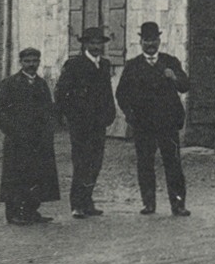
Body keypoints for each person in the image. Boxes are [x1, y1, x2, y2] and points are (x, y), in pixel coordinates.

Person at [115, 21, 192, 216]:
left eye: (154, 40)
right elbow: (121, 94)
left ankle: (178, 204)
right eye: (146, 40)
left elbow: (185, 85)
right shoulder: (133, 66)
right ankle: (149, 204)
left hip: (168, 123)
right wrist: (131, 116)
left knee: (173, 164)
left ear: (159, 41)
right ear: (140, 42)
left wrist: (174, 77)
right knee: (145, 164)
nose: (150, 44)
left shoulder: (170, 61)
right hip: (144, 125)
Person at [0, 47, 60, 226]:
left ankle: (31, 210)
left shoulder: (41, 84)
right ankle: (13, 213)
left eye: (34, 61)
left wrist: (48, 130)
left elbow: (48, 110)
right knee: (15, 176)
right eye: (27, 61)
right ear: (21, 63)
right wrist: (13, 131)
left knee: (36, 175)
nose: (31, 65)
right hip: (17, 140)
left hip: (38, 140)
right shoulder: (10, 83)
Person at [56, 26, 117, 218]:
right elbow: (61, 92)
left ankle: (88, 201)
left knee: (95, 163)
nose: (96, 46)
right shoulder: (74, 65)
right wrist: (70, 115)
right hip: (81, 123)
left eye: (99, 43)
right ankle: (77, 204)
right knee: (81, 162)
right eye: (92, 42)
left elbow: (107, 92)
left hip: (99, 123)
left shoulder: (105, 65)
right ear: (85, 44)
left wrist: (110, 113)